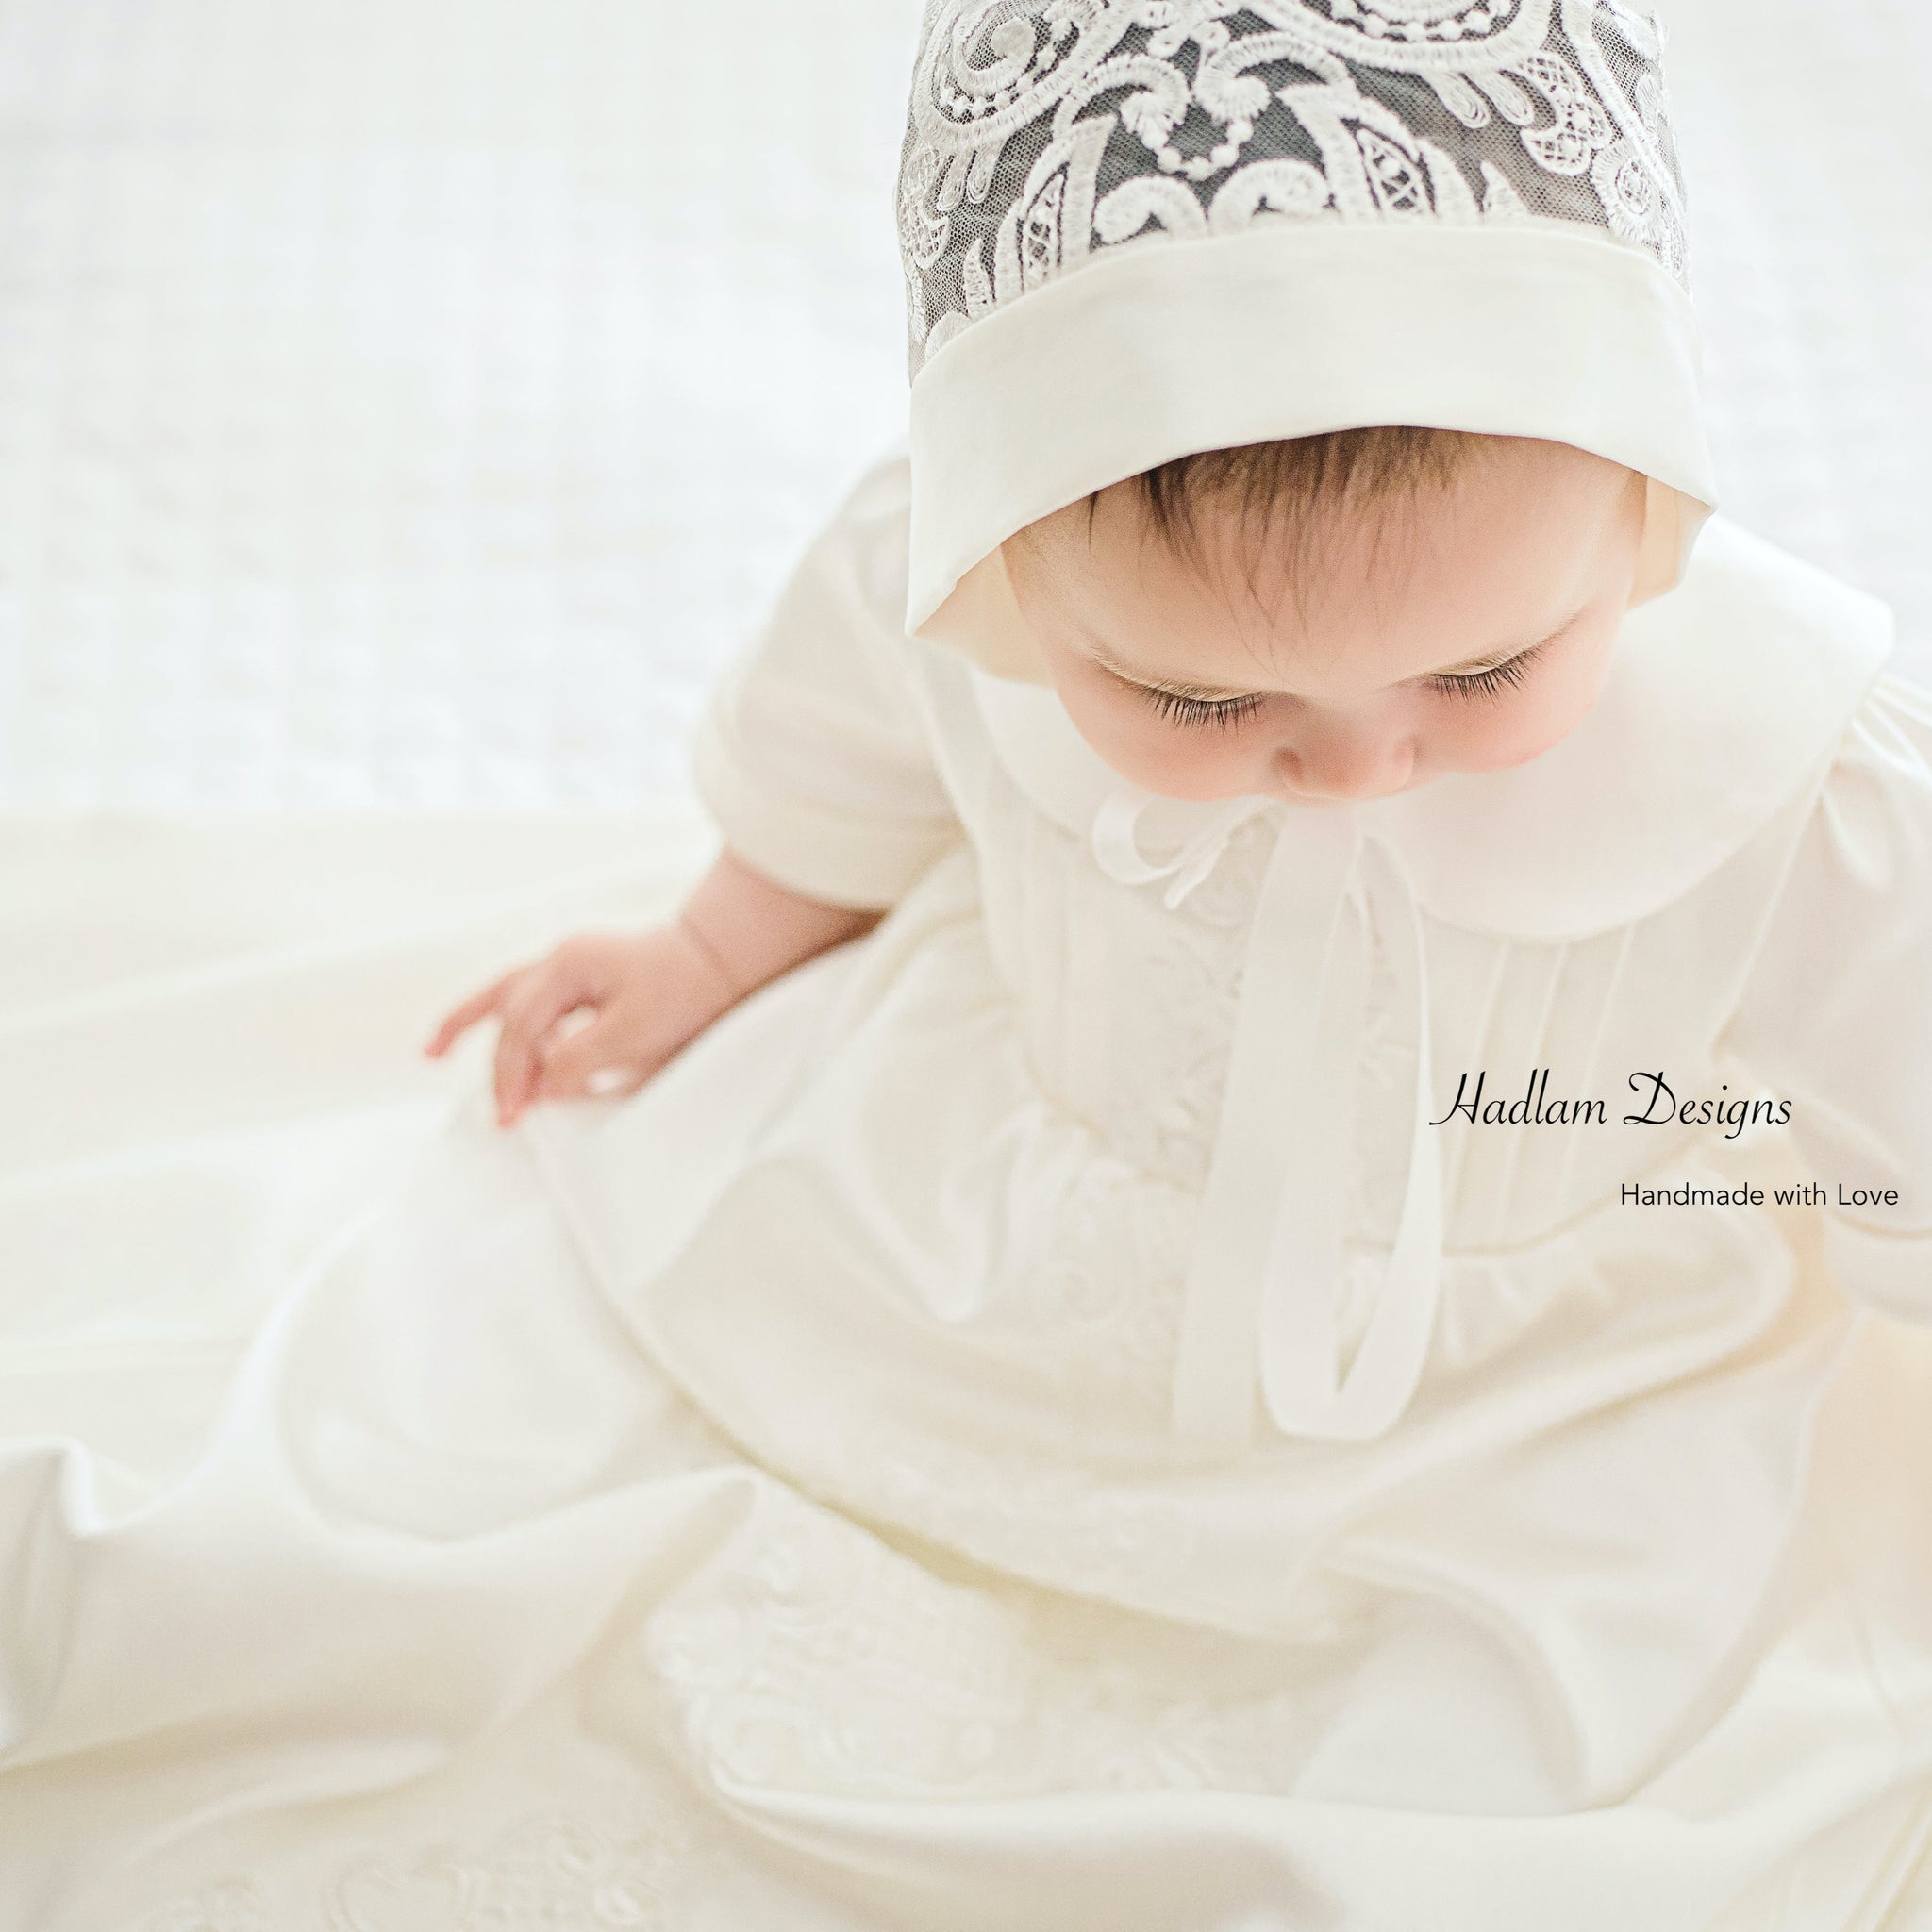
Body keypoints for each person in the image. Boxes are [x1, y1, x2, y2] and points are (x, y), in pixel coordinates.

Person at [6, 5, 1932, 1926]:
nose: (1357, 769)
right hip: (978, 1265)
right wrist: (712, 943)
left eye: (1487, 669)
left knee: (1501, 1771)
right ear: (1011, 556)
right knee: (606, 1527)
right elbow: (850, 742)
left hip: (1532, 1410)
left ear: (1646, 503)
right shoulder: (965, 570)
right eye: (1202, 700)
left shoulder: (1799, 783)